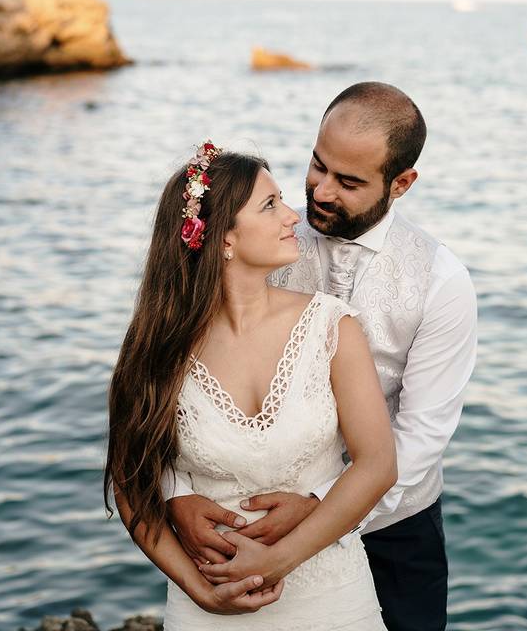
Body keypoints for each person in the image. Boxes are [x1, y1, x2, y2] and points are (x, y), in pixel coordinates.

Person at [168, 83, 478, 631]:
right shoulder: (265, 241)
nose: (321, 192)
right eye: (317, 166)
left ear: (401, 183)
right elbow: (182, 387)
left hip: (395, 529)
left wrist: (324, 506)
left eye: (350, 181)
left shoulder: (441, 281)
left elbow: (422, 433)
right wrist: (178, 495)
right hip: (250, 524)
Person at [104, 142, 397, 630]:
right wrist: (201, 594)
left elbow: (378, 465)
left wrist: (277, 561)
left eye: (282, 198)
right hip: (208, 604)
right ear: (223, 239)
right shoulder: (157, 346)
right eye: (269, 205)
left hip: (334, 601)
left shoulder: (330, 324)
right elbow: (131, 482)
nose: (291, 216)